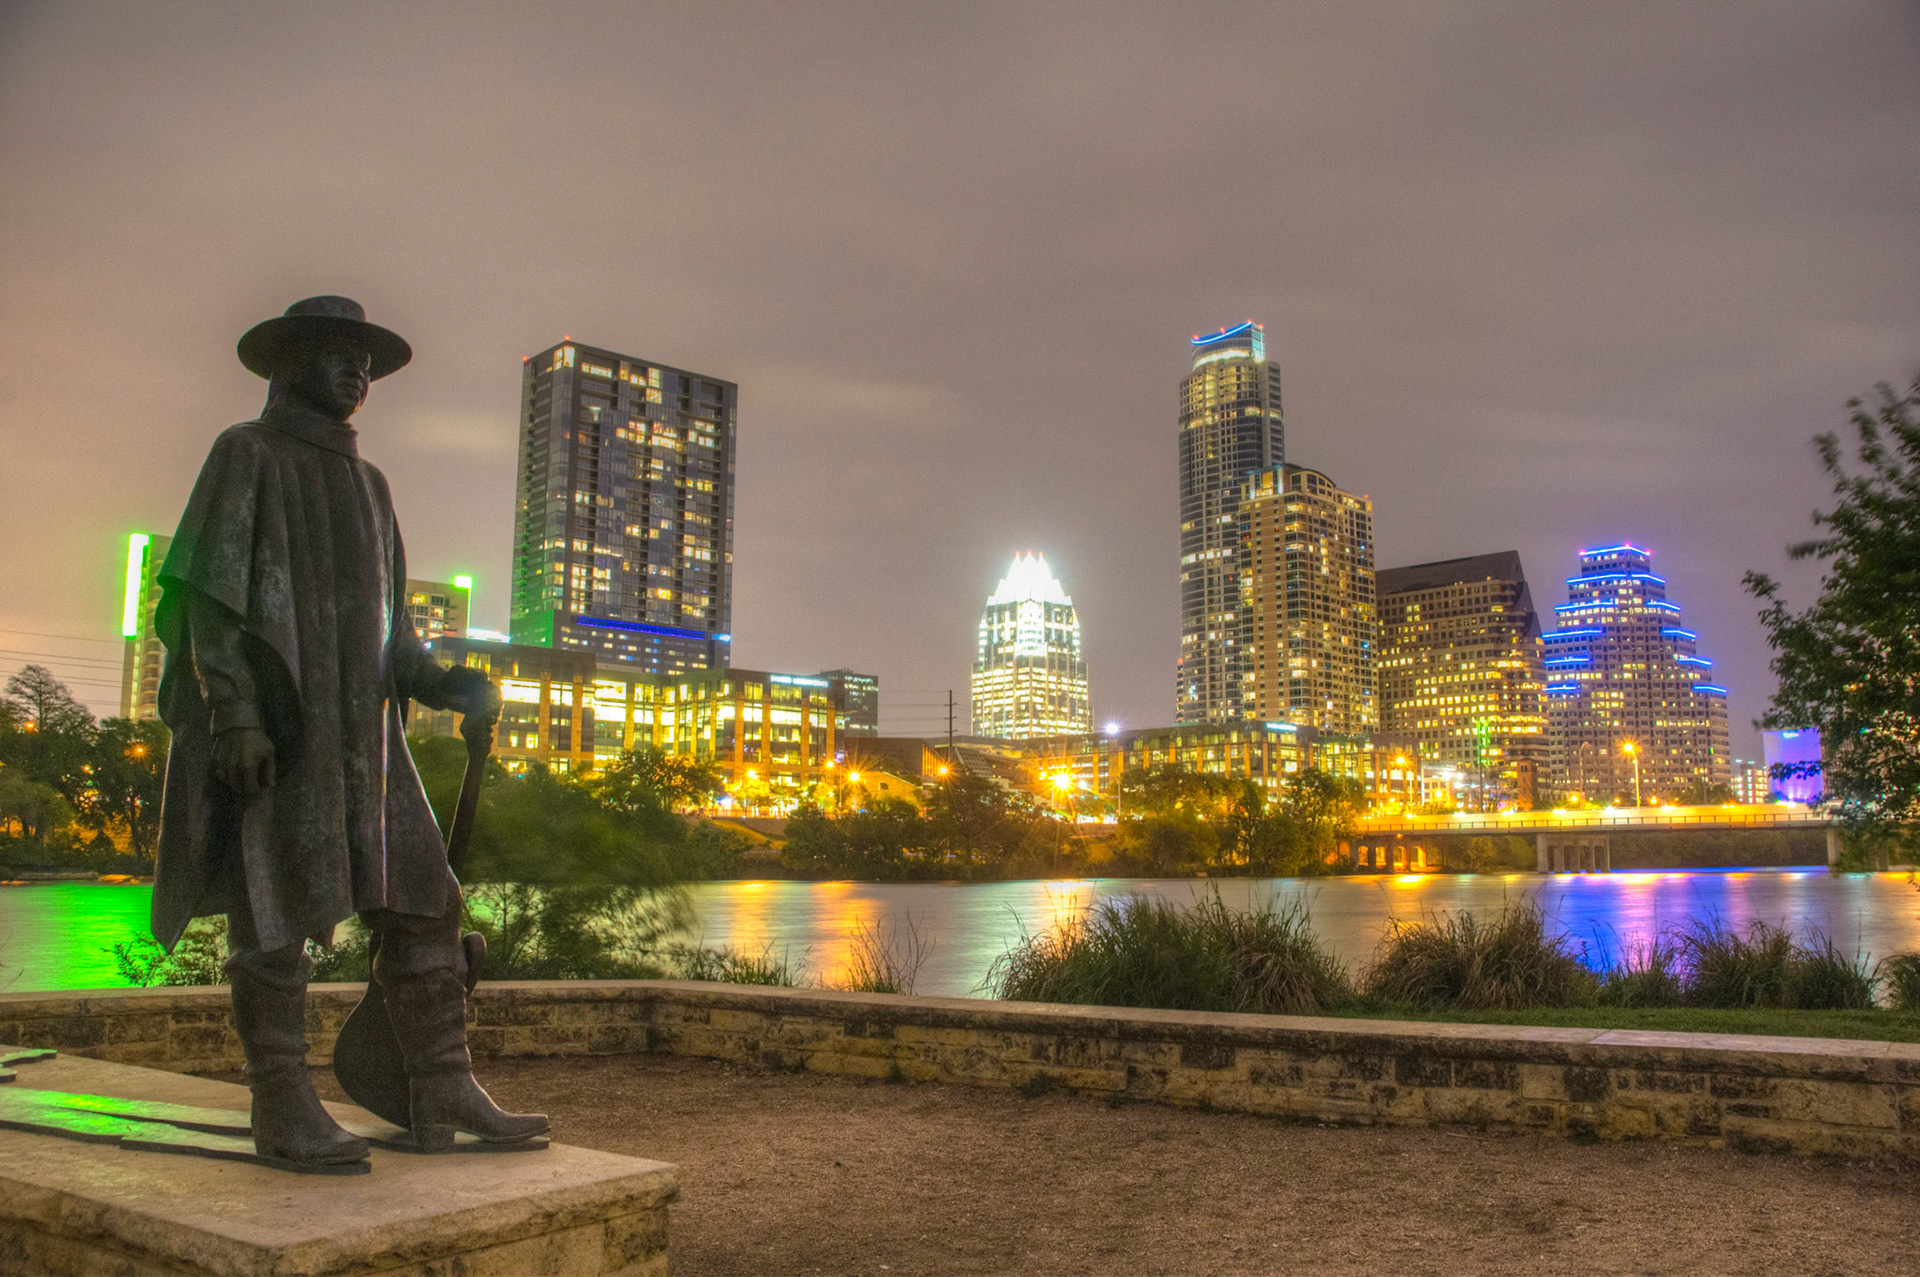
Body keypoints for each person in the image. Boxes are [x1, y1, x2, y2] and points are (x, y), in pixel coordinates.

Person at [153, 296, 546, 1167]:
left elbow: (391, 634)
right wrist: (237, 713)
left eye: (366, 361)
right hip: (281, 732)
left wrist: (444, 681)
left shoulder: (371, 485)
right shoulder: (244, 455)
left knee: (428, 903)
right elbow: (202, 604)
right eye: (340, 354)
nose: (358, 372)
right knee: (272, 912)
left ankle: (437, 1083)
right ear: (293, 362)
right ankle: (282, 1099)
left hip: (366, 746)